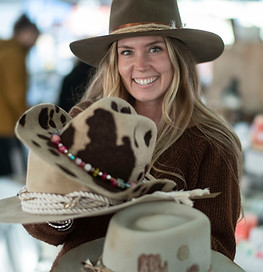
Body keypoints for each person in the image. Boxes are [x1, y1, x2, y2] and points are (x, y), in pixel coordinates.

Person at [23, 0, 243, 270]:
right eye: (127, 52)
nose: (141, 64)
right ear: (115, 61)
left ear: (177, 55)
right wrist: (61, 209)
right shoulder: (87, 121)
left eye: (154, 48)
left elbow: (218, 248)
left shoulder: (211, 143)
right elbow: (43, 223)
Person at [0, 14, 40, 177]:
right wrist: (29, 122)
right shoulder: (14, 54)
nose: (34, 42)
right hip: (6, 125)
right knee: (14, 175)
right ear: (26, 33)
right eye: (35, 37)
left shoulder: (5, 49)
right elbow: (16, 94)